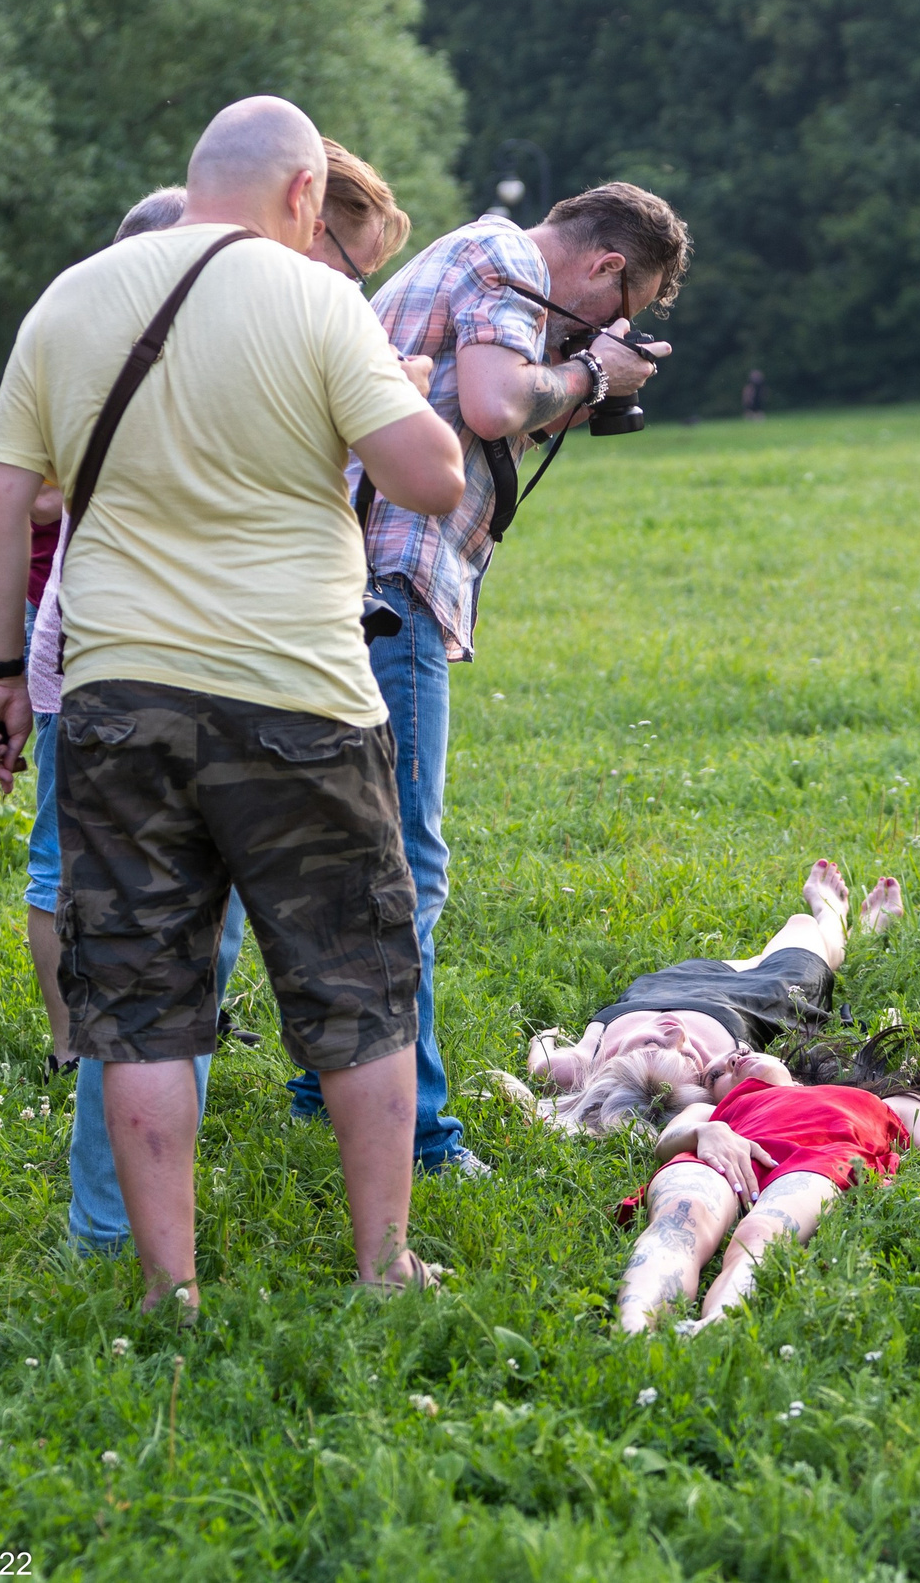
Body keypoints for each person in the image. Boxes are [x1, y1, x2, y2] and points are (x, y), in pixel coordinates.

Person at [0, 96, 465, 1308]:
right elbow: (432, 479)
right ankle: (383, 1264)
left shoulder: (70, 297)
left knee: (140, 1004)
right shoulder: (315, 299)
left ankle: (166, 1288)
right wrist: (402, 391)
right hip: (298, 694)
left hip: (117, 697)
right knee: (357, 984)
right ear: (305, 193)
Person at [288, 180, 693, 1175]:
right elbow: (493, 401)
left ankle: (319, 1088)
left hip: (341, 584)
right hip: (394, 584)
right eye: (622, 304)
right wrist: (595, 374)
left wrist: (587, 371)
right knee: (402, 875)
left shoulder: (473, 262)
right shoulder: (506, 261)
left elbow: (490, 404)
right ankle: (420, 1136)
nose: (611, 323)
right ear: (603, 266)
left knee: (337, 856)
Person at [608, 1029, 920, 1334]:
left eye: (739, 1050)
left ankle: (716, 1324)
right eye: (716, 1075)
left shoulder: (889, 1102)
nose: (732, 1060)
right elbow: (666, 1142)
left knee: (763, 1232)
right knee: (680, 1218)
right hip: (726, 1152)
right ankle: (633, 1327)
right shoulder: (711, 1111)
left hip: (819, 1158)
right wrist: (709, 1131)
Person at [510, 860, 902, 1130]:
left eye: (651, 1043)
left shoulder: (575, 1066)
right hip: (760, 1003)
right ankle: (841, 920)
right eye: (690, 1058)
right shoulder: (710, 1089)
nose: (675, 1032)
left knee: (774, 949)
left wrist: (547, 1037)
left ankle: (836, 934)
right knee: (802, 927)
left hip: (679, 983)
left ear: (614, 1064)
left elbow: (541, 1051)